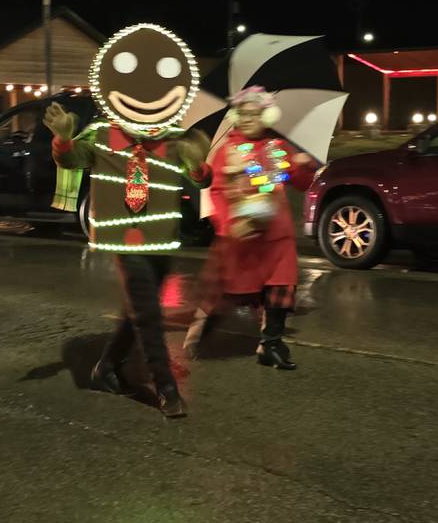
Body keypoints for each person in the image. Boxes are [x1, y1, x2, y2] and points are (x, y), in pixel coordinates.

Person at [45, 23, 211, 418]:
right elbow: (71, 159)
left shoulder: (174, 138)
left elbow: (201, 179)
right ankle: (166, 387)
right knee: (148, 311)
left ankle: (106, 367)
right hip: (123, 236)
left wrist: (199, 164)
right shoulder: (101, 135)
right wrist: (64, 139)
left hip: (162, 235)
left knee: (140, 306)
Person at [183, 86, 317, 369]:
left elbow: (301, 183)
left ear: (266, 116)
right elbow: (217, 193)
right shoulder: (227, 151)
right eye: (242, 114)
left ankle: (271, 345)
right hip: (239, 236)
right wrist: (229, 224)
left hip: (276, 235)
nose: (247, 119)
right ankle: (198, 335)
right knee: (224, 292)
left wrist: (304, 166)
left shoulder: (277, 148)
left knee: (279, 289)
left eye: (254, 114)